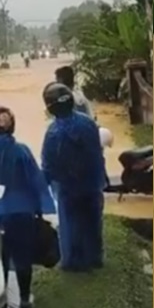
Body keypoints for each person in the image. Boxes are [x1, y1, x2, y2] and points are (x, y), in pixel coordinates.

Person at [0, 105, 54, 308]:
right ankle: (24, 299)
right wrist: (40, 209)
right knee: (23, 257)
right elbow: (36, 181)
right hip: (22, 213)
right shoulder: (22, 151)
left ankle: (0, 302)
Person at [41, 82, 107, 272]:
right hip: (92, 184)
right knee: (93, 222)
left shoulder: (53, 133)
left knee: (70, 225)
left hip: (68, 188)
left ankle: (72, 262)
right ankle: (95, 258)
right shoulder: (88, 123)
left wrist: (38, 189)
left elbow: (48, 166)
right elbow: (97, 152)